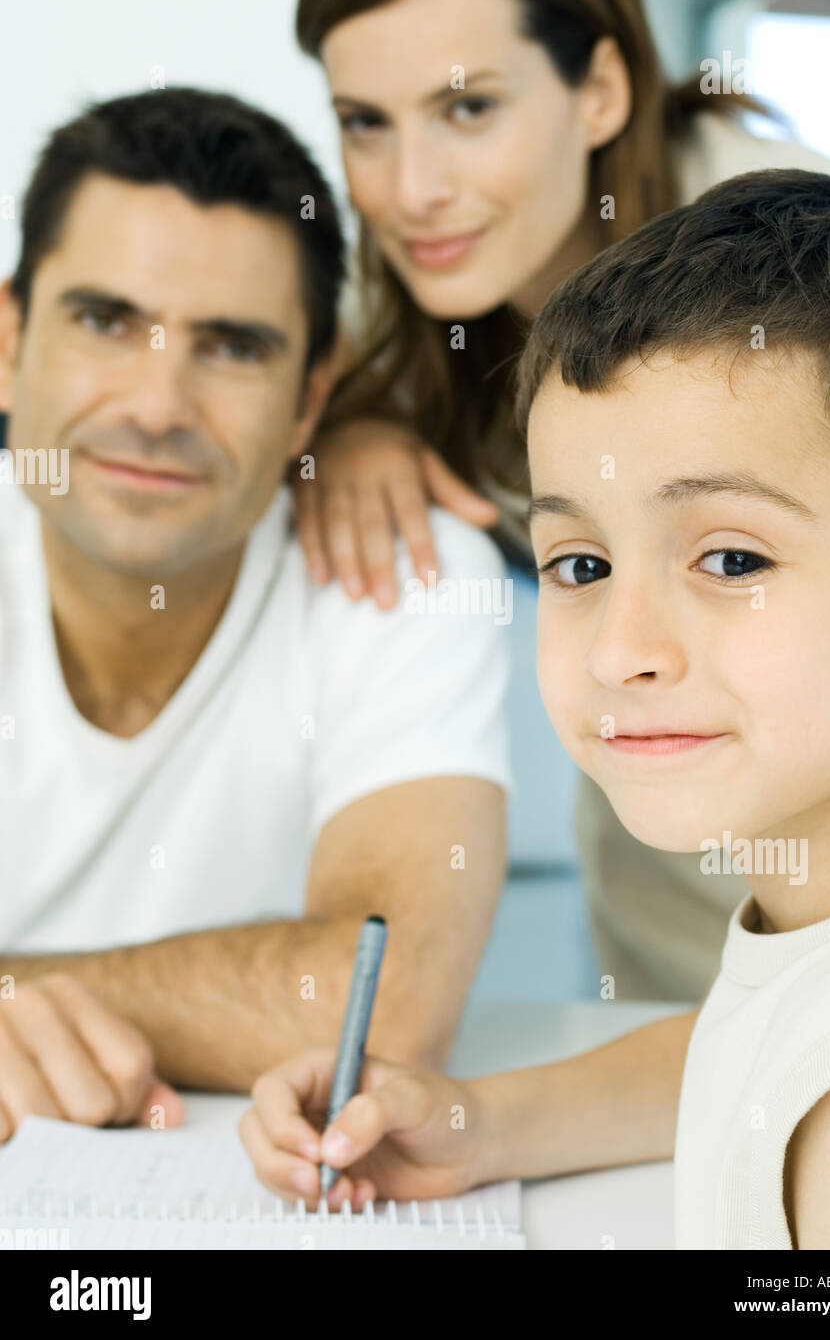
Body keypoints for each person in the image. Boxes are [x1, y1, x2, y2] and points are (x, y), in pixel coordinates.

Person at [240, 170, 830, 1249]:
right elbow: (757, 1037)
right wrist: (479, 1122)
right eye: (580, 562)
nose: (619, 649)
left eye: (730, 555)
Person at [287, 0, 830, 999]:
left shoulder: (792, 260)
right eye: (366, 120)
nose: (411, 188)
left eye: (467, 109)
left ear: (599, 89)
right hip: (664, 878)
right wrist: (358, 429)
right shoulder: (422, 283)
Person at [0, 87, 511, 1141]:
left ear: (311, 399)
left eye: (232, 346)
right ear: (8, 340)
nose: (155, 406)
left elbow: (389, 1008)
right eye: (105, 320)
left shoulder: (405, 568)